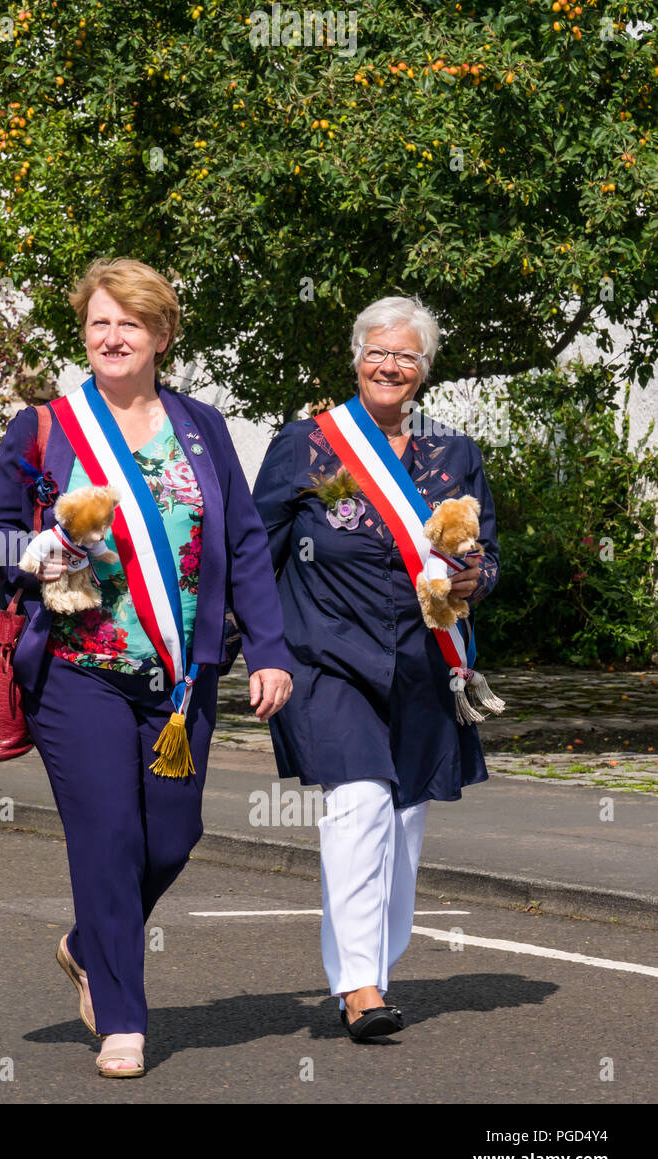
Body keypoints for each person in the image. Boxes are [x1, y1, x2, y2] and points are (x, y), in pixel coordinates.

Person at [0, 258, 293, 1077]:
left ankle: (89, 943)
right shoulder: (46, 425)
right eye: (98, 324)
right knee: (108, 838)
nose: (112, 338)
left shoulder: (202, 426)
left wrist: (268, 649)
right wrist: (38, 551)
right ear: (84, 334)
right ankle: (122, 1017)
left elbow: (247, 541)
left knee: (173, 835)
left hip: (183, 677)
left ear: (160, 335)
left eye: (130, 324)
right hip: (78, 669)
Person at [251, 295, 500, 1041]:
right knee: (359, 799)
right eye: (377, 352)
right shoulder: (304, 446)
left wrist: (472, 579)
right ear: (356, 358)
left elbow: (485, 559)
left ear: (425, 370)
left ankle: (376, 970)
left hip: (423, 664)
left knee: (404, 820)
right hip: (323, 656)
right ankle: (358, 986)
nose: (390, 365)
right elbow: (253, 553)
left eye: (407, 356)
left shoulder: (454, 453)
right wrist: (245, 648)